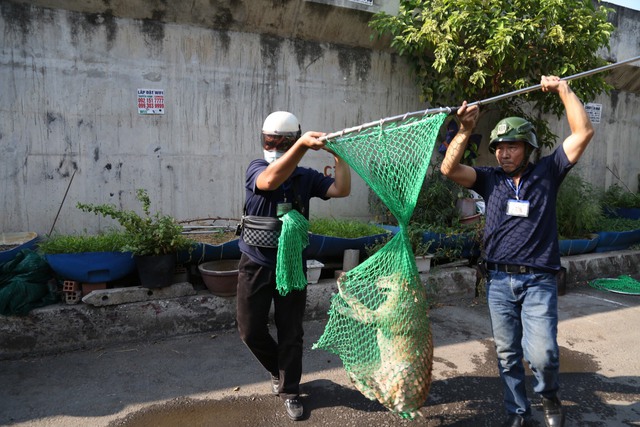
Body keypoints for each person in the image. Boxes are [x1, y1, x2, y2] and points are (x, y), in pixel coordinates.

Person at [440, 75, 594, 427]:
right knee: (508, 355)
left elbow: (583, 132)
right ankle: (517, 413)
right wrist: (464, 130)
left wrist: (563, 90)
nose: (503, 153)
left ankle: (549, 395)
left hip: (538, 280)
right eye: (498, 146)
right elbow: (448, 169)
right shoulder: (488, 178)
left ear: (528, 147)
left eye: (511, 146)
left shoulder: (549, 171)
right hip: (498, 281)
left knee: (543, 354)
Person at [236, 111, 351, 421]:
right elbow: (270, 179)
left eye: (281, 142)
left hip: (293, 266)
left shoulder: (305, 177)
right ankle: (280, 369)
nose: (273, 146)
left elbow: (341, 189)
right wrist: (300, 144)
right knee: (249, 330)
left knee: (291, 332)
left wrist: (339, 156)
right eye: (269, 141)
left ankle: (290, 389)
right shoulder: (256, 168)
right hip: (256, 263)